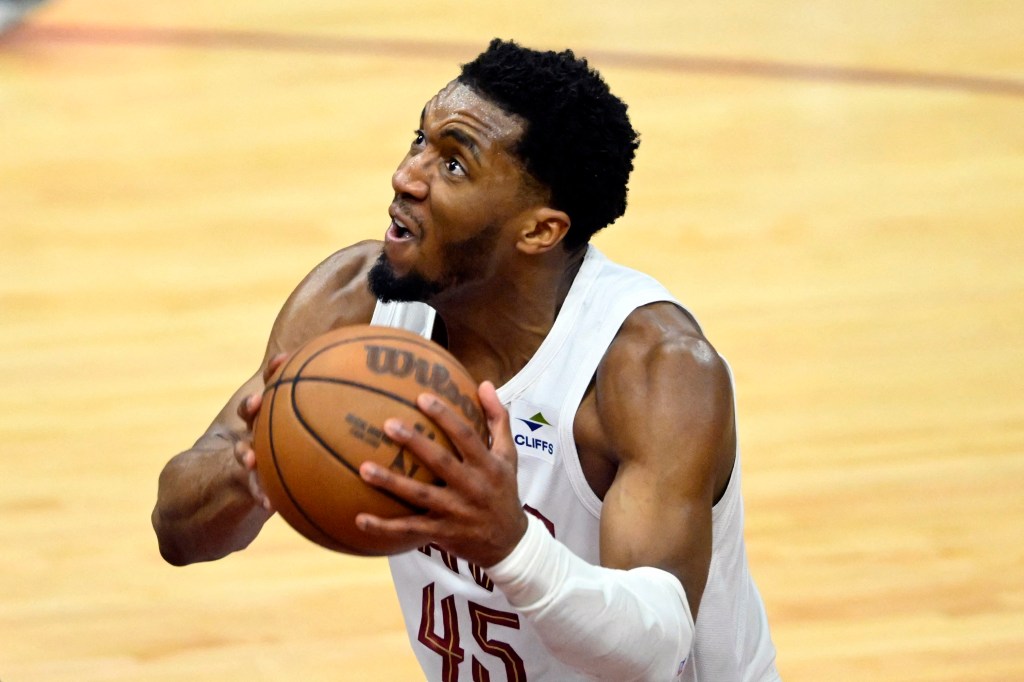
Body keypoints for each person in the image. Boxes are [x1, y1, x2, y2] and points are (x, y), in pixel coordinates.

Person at [152, 38, 779, 681]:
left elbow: (656, 648)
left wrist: (510, 544)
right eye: (418, 140)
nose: (406, 175)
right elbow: (176, 532)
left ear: (540, 230)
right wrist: (249, 471)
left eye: (454, 165)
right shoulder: (352, 304)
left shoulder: (651, 370)